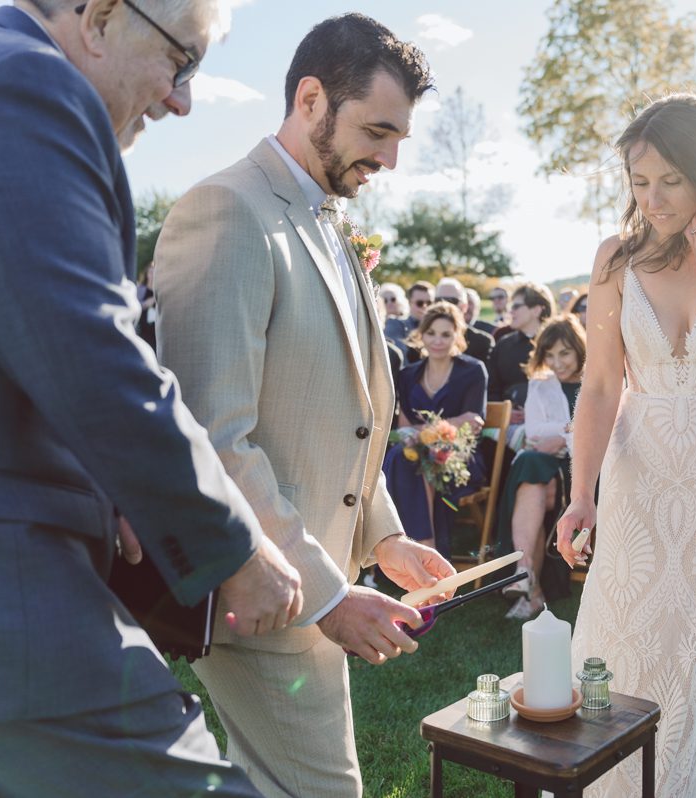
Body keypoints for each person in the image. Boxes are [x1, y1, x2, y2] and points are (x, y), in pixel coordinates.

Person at [0, 2, 304, 795]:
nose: (181, 99)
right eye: (183, 62)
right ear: (102, 17)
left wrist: (108, 485)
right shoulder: (20, 82)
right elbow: (90, 354)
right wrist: (232, 549)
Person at [154, 14, 454, 798]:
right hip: (264, 588)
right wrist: (325, 593)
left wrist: (383, 538)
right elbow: (213, 439)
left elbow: (341, 412)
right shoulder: (226, 212)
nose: (389, 158)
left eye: (399, 139)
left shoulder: (327, 216)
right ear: (311, 98)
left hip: (320, 577)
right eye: (377, 130)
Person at [555, 93, 696, 796]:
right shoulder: (614, 261)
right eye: (638, 180)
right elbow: (598, 387)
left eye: (669, 181)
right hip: (638, 477)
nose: (652, 199)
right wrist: (580, 495)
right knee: (617, 647)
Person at [496, 315, 585, 620]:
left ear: (578, 349)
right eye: (549, 355)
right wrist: (571, 430)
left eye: (564, 353)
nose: (557, 363)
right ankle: (525, 575)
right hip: (548, 467)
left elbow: (608, 428)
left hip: (588, 470)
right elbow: (534, 431)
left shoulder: (597, 379)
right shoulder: (542, 383)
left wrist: (563, 432)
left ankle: (528, 586)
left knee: (533, 472)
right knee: (534, 468)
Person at [383, 302, 488, 559]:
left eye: (446, 334)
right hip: (415, 456)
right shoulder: (408, 375)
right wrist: (444, 425)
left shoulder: (472, 371)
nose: (437, 340)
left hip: (459, 457)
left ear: (457, 336)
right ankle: (427, 552)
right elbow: (404, 429)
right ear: (421, 334)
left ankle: (419, 551)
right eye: (431, 333)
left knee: (411, 459)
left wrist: (426, 432)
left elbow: (472, 423)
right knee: (405, 457)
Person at [487, 281, 555, 425]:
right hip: (507, 427)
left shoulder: (558, 345)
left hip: (552, 425)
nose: (510, 311)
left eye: (516, 306)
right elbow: (491, 389)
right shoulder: (503, 344)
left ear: (536, 310)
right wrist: (504, 414)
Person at [430, 276, 494, 364]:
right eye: (439, 301)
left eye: (452, 301)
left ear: (464, 307)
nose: (445, 306)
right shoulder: (422, 339)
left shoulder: (482, 342)